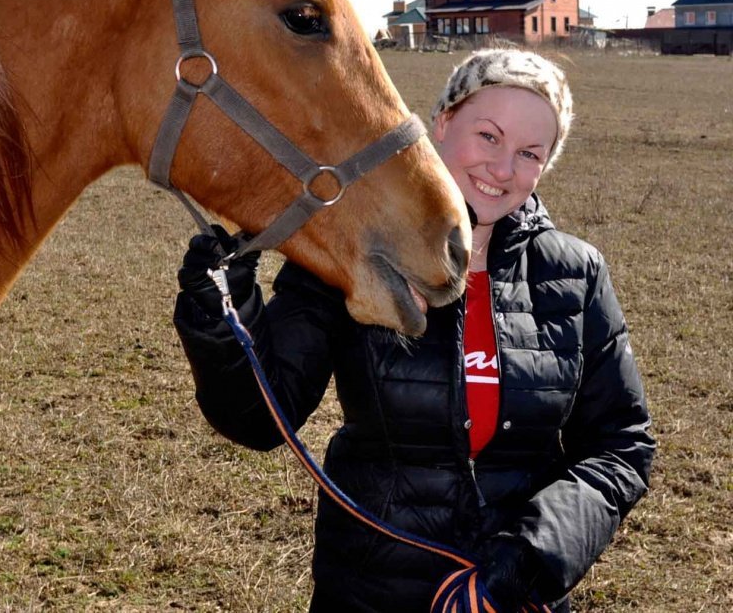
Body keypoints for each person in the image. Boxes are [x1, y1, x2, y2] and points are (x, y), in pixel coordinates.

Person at [173, 49, 654, 612]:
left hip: (517, 600)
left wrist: (532, 560)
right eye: (489, 136)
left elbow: (621, 446)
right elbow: (258, 418)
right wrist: (223, 318)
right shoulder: (355, 248)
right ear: (444, 123)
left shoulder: (575, 273)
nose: (503, 169)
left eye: (529, 153)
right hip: (372, 592)